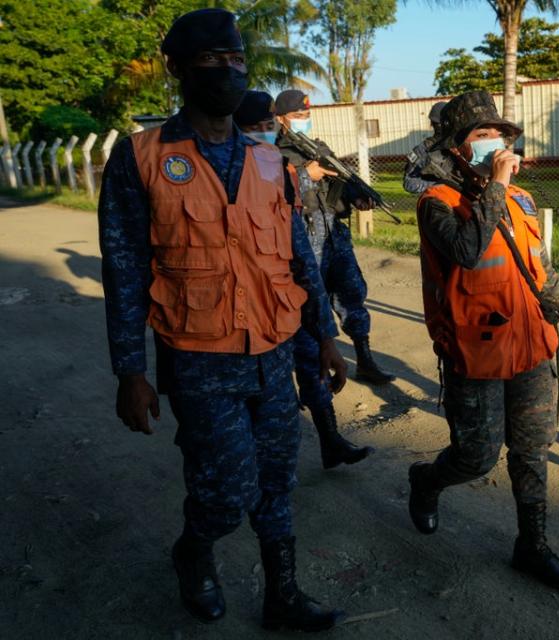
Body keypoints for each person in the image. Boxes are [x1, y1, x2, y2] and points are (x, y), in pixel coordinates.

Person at [98, 9, 349, 631]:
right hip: (198, 357)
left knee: (276, 479)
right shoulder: (141, 158)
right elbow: (124, 272)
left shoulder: (270, 162)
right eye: (213, 59)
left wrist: (324, 336)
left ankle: (282, 594)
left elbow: (298, 258)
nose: (229, 71)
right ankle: (193, 552)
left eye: (237, 59)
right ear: (177, 69)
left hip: (274, 350)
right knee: (225, 492)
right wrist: (130, 371)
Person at [406, 91, 559, 592]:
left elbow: (539, 269)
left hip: (531, 347)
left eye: (499, 134)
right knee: (476, 457)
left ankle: (533, 548)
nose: (494, 143)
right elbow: (468, 250)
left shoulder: (521, 200)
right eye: (480, 136)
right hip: (475, 353)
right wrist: (498, 185)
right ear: (458, 149)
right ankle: (426, 480)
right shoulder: (435, 203)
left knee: (532, 451)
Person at [234, 90, 374, 470]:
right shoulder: (236, 170)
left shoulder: (302, 149)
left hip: (295, 270)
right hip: (249, 301)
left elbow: (304, 237)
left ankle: (330, 438)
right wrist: (304, 176)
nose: (263, 133)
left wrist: (351, 193)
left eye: (266, 126)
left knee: (313, 350)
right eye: (254, 128)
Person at [272, 89, 395, 387]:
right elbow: (274, 192)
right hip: (304, 233)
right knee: (311, 302)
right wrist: (304, 173)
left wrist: (358, 198)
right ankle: (316, 371)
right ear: (280, 119)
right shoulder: (272, 153)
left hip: (334, 234)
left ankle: (364, 359)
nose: (304, 120)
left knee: (352, 294)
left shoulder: (318, 147)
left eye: (307, 115)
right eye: (298, 116)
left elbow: (342, 178)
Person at [403, 100, 447, 194]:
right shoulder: (422, 150)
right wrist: (438, 185)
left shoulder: (461, 145)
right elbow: (409, 183)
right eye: (437, 123)